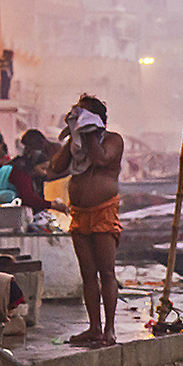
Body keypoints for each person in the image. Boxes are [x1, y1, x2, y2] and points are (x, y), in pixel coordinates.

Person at [49, 93, 124, 348]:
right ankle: (94, 327)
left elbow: (101, 158)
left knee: (106, 272)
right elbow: (56, 167)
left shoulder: (113, 140)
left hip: (103, 212)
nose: (76, 118)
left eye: (82, 114)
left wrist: (89, 131)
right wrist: (74, 135)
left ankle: (109, 329)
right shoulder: (75, 144)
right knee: (87, 274)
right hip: (79, 213)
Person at [5, 130, 67, 215]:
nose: (45, 173)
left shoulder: (32, 170)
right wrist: (52, 205)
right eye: (43, 168)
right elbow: (29, 198)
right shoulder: (21, 170)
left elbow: (51, 175)